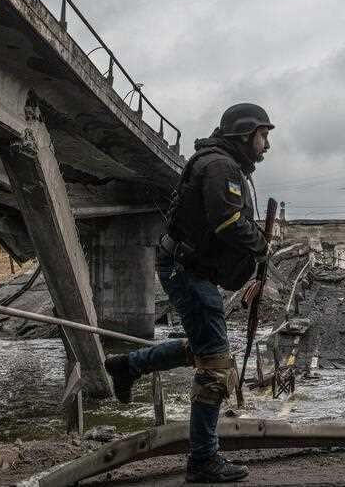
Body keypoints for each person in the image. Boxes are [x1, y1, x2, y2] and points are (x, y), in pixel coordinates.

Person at [105, 103, 272, 483]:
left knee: (202, 348)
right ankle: (203, 461)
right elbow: (228, 222)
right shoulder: (220, 167)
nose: (266, 145)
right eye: (263, 135)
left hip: (189, 268)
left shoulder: (222, 164)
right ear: (245, 134)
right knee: (215, 365)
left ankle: (127, 366)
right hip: (187, 270)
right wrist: (261, 246)